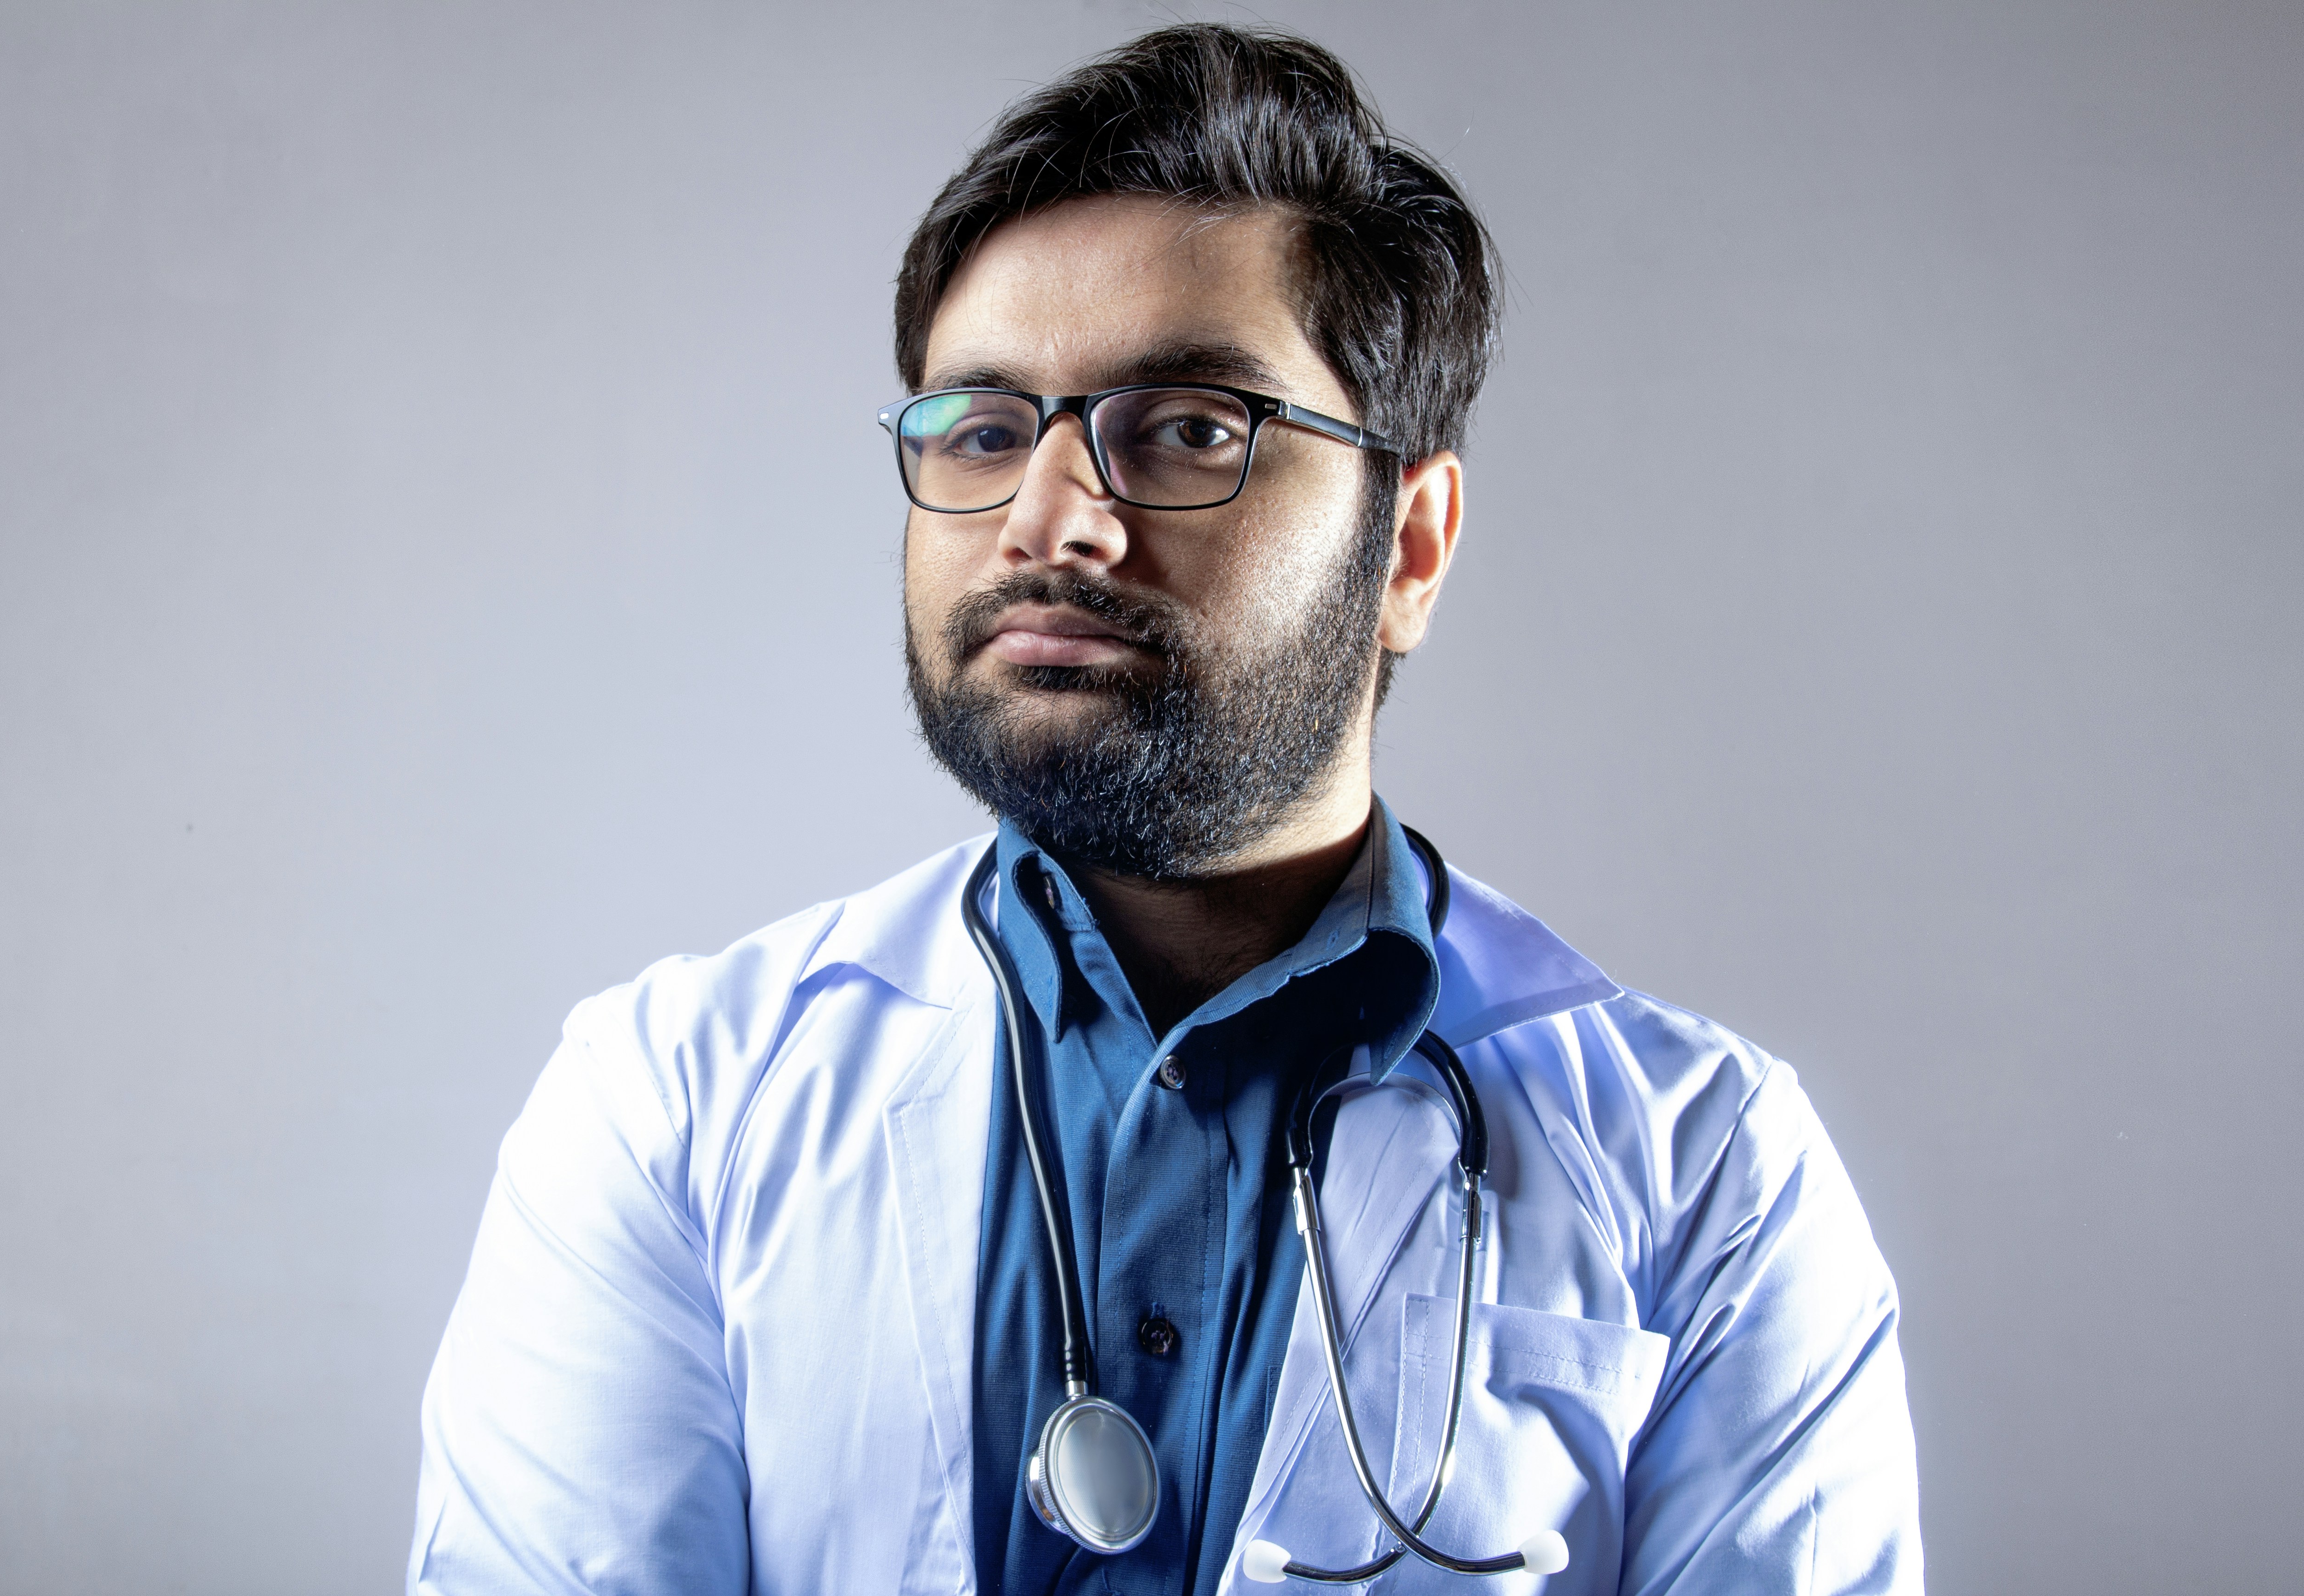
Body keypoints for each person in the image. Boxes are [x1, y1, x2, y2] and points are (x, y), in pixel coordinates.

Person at [408, 24, 1921, 1596]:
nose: (1052, 522)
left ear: (1409, 546)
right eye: (985, 431)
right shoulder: (669, 1107)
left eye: (1192, 429)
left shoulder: (1711, 1174)